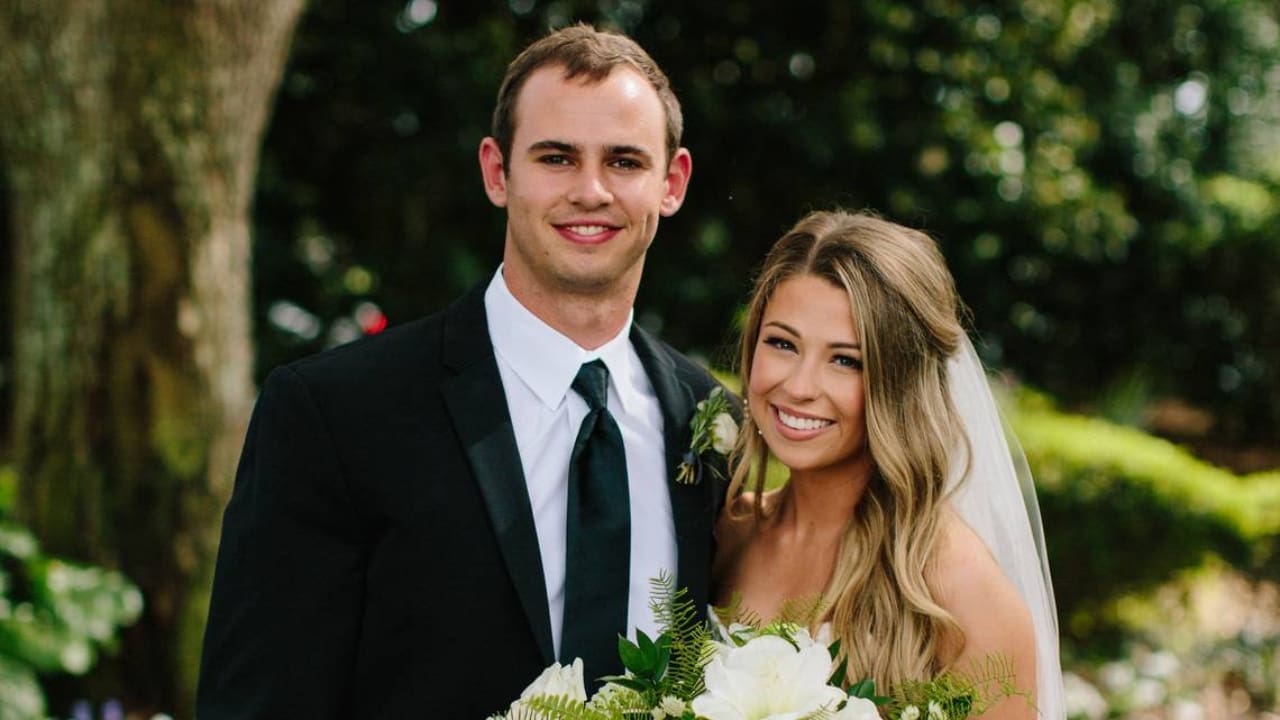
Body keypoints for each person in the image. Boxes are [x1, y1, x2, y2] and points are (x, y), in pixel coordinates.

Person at [197, 24, 726, 718]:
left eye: (624, 161)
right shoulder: (334, 412)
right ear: (497, 172)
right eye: (557, 157)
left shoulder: (710, 423)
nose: (591, 190)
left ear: (672, 182)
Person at [713, 210, 1065, 719]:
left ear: (899, 385)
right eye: (783, 344)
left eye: (846, 360)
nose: (799, 386)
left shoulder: (960, 595)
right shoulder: (728, 532)